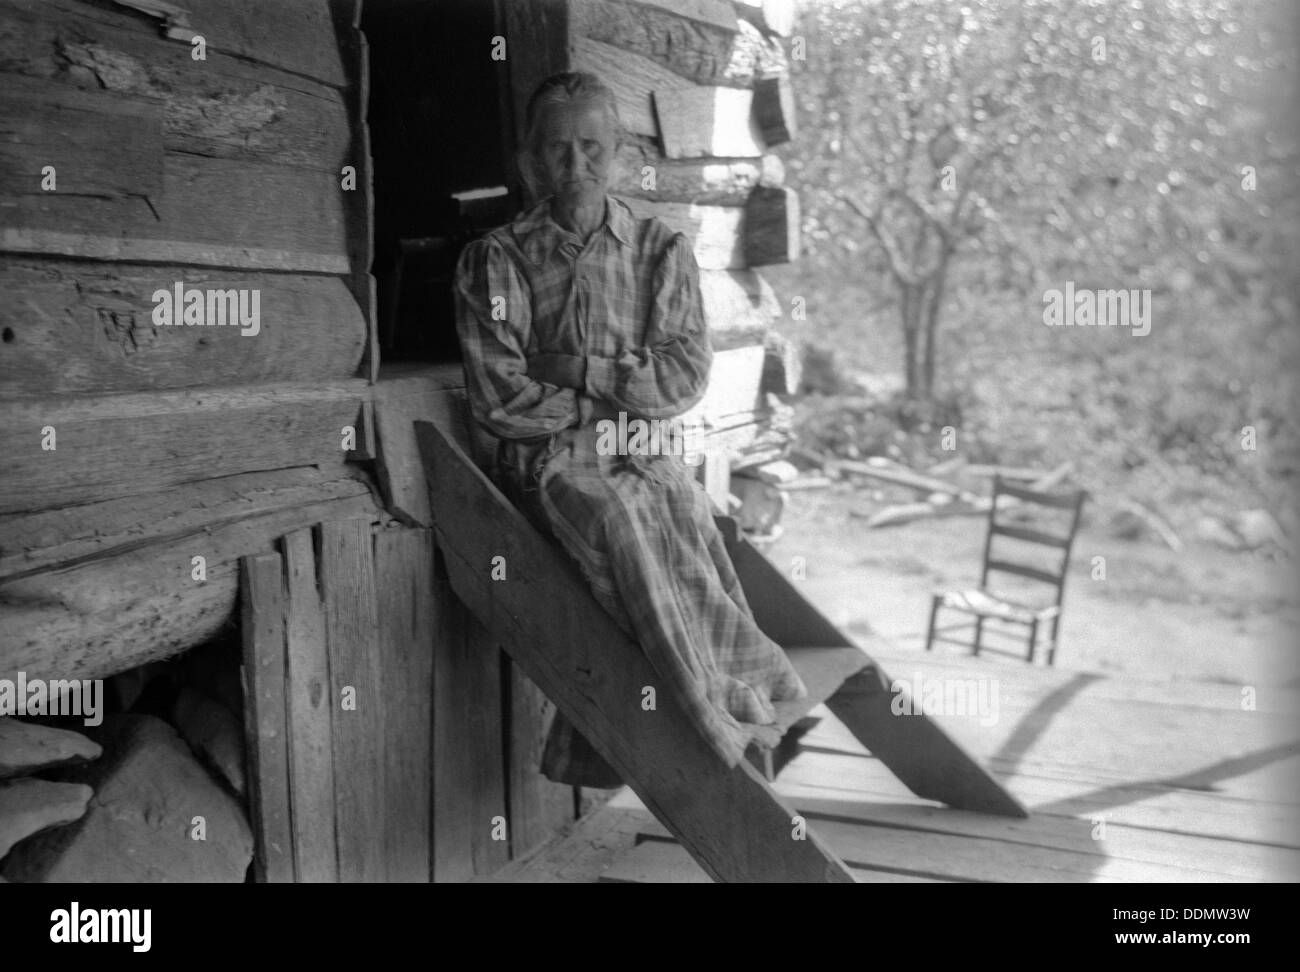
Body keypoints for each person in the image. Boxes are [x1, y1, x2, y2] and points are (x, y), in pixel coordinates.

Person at [453, 71, 806, 787]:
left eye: (591, 148)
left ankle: (741, 690)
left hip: (639, 447)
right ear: (529, 162)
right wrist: (608, 400)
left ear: (619, 154)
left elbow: (683, 377)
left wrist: (581, 371)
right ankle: (701, 717)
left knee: (684, 511)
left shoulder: (657, 249)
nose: (575, 167)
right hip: (550, 459)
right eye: (556, 151)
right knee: (620, 522)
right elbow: (500, 397)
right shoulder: (499, 258)